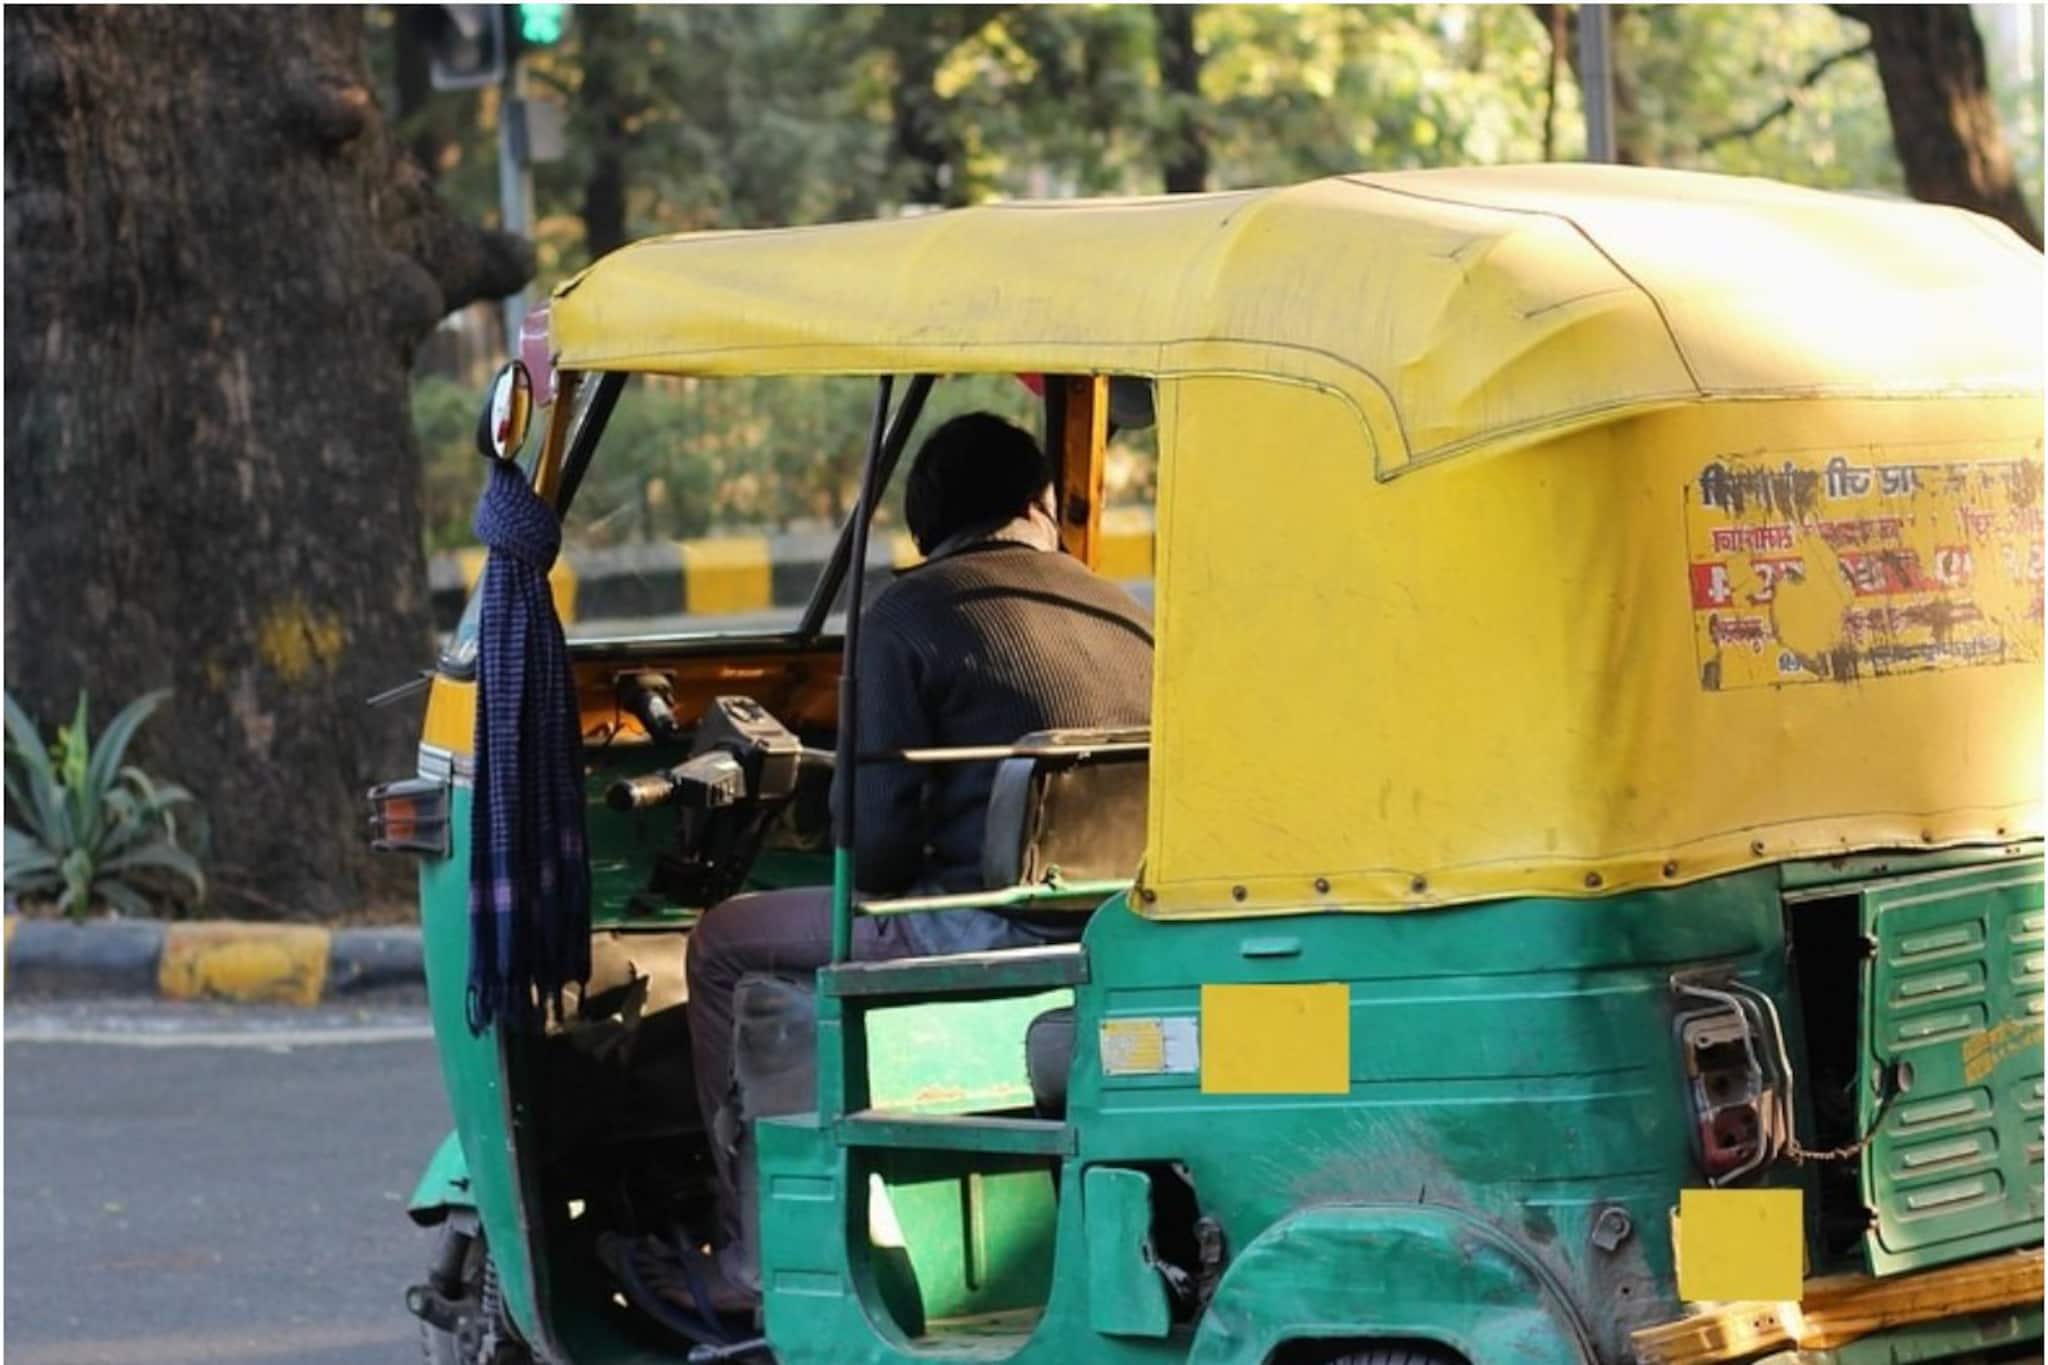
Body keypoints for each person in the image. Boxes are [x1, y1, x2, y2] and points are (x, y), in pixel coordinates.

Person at [601, 411, 1154, 1327]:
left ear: (926, 528)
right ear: (1039, 503)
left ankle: (750, 1259)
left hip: (989, 923)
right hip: (1117, 925)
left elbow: (881, 853)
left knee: (724, 941)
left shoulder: (906, 617)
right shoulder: (1124, 612)